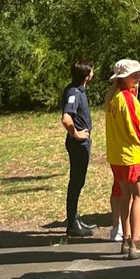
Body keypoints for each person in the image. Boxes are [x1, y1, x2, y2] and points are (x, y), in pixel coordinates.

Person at [104, 57, 140, 259]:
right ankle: (136, 242)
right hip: (130, 156)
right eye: (135, 75)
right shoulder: (126, 98)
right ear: (124, 78)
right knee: (138, 196)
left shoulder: (113, 97)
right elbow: (138, 126)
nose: (139, 78)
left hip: (117, 156)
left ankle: (126, 239)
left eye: (139, 75)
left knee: (126, 196)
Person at [59, 60, 95, 237]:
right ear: (87, 76)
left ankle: (75, 219)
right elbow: (66, 118)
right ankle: (72, 224)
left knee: (78, 182)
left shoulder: (78, 90)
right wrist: (77, 134)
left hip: (82, 144)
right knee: (76, 182)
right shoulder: (74, 93)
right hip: (78, 144)